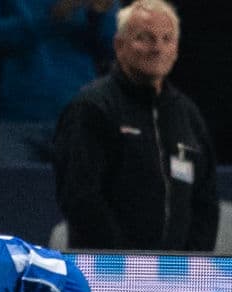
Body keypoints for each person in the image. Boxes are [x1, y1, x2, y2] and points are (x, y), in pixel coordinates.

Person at [53, 0, 219, 251]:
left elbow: (205, 202)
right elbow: (80, 197)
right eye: (146, 38)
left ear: (176, 49)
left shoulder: (187, 114)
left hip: (178, 277)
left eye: (167, 39)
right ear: (119, 45)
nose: (158, 48)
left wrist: (192, 263)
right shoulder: (93, 107)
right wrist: (128, 261)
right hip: (108, 272)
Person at [0, 0, 117, 162]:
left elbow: (113, 46)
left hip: (78, 115)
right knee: (10, 186)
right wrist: (50, 17)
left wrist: (99, 14)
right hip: (13, 117)